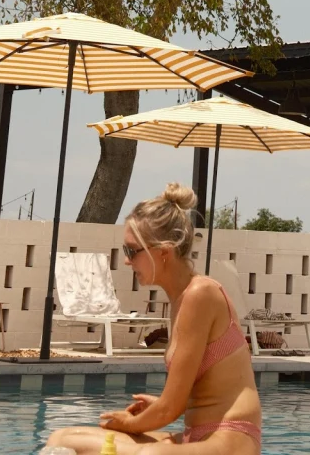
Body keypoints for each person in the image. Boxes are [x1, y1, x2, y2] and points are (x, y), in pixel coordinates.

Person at [47, 181, 261, 453]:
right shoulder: (181, 299)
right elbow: (178, 402)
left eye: (131, 251)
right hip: (196, 436)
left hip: (230, 440)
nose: (126, 261)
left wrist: (133, 423)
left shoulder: (201, 294)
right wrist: (154, 410)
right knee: (63, 438)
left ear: (163, 252)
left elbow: (171, 409)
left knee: (149, 454)